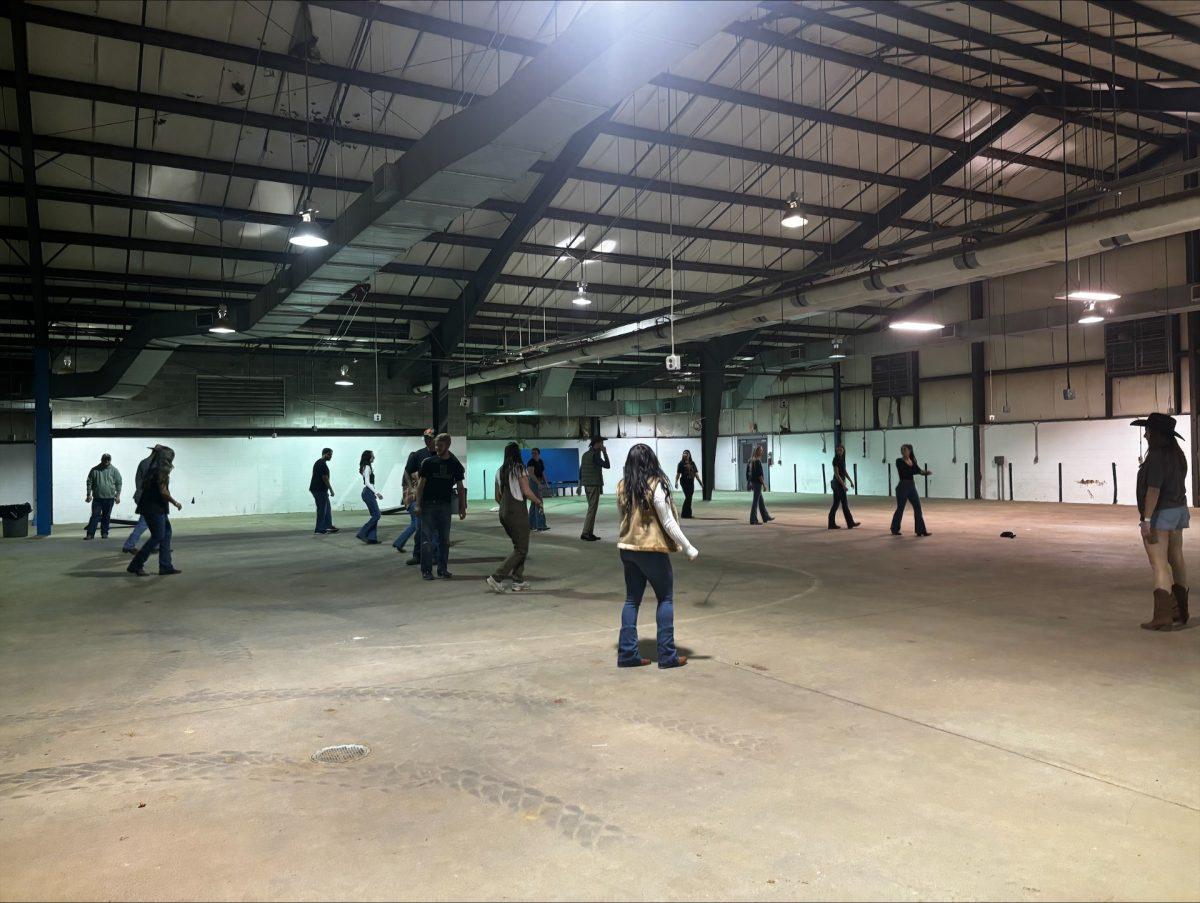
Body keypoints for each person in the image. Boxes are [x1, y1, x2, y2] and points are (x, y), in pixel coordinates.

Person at [616, 444, 699, 669]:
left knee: (632, 600)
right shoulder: (656, 485)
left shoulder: (623, 486)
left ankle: (626, 654)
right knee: (665, 599)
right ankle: (667, 655)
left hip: (627, 549)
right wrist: (689, 547)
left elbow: (624, 518)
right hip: (651, 550)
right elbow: (668, 521)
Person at [1133, 413, 1190, 630]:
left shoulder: (1156, 456)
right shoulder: (1177, 455)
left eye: (1148, 430)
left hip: (1161, 513)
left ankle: (1162, 615)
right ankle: (1181, 612)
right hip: (1179, 510)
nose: (1145, 433)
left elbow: (1154, 490)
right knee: (1176, 559)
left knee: (1159, 564)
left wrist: (1146, 520)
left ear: (1156, 434)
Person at [487, 442, 544, 593]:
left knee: (519, 546)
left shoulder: (499, 471)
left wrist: (506, 508)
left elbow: (497, 497)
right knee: (521, 548)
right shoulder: (519, 468)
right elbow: (526, 491)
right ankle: (496, 577)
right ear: (517, 453)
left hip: (504, 512)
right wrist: (538, 502)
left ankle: (518, 580)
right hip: (517, 511)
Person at [414, 433, 467, 580]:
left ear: (448, 445)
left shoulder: (455, 465)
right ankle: (426, 571)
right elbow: (420, 485)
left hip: (445, 506)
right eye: (436, 445)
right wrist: (418, 504)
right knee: (426, 540)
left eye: (440, 445)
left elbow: (461, 487)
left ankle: (442, 569)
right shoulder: (428, 462)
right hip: (428, 505)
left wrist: (462, 507)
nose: (437, 448)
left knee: (445, 540)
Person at [126, 446, 182, 576]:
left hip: (155, 507)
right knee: (158, 536)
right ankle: (136, 564)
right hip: (154, 508)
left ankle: (165, 566)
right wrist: (175, 502)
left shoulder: (152, 469)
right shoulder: (161, 471)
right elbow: (163, 491)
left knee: (166, 534)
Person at [393, 429, 437, 564]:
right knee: (419, 527)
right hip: (418, 498)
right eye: (425, 438)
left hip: (434, 498)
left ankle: (434, 555)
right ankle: (418, 555)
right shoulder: (419, 455)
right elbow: (406, 473)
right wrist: (412, 490)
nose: (427, 440)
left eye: (429, 438)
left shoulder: (441, 454)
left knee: (433, 529)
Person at [122, 445, 161, 554]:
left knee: (154, 523)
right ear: (156, 453)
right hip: (146, 498)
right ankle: (129, 545)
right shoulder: (148, 464)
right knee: (144, 523)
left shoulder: (146, 462)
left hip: (145, 497)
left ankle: (153, 545)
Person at [890, 444, 932, 537]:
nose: (903, 451)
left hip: (911, 486)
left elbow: (918, 470)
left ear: (909, 451)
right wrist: (918, 470)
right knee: (900, 508)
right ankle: (894, 529)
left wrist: (925, 473)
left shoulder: (912, 461)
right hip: (902, 486)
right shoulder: (899, 461)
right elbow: (909, 471)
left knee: (918, 507)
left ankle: (921, 530)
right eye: (902, 450)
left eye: (905, 449)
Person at [84, 453, 122, 540]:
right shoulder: (94, 470)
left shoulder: (114, 470)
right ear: (101, 459)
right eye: (105, 459)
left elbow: (118, 483)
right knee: (95, 516)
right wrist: (88, 494)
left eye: (108, 459)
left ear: (110, 460)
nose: (107, 461)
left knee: (106, 516)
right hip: (97, 498)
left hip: (110, 498)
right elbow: (89, 482)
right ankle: (90, 534)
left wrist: (118, 495)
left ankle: (104, 533)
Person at [579, 436, 610, 541]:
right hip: (593, 484)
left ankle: (589, 532)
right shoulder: (595, 455)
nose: (603, 445)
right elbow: (607, 465)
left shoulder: (585, 455)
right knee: (592, 509)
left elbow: (581, 470)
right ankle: (585, 533)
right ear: (597, 444)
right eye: (602, 443)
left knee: (591, 508)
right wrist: (605, 453)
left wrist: (579, 485)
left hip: (587, 484)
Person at [828, 444, 860, 530]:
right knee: (844, 504)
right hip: (837, 484)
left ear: (843, 450)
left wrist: (850, 481)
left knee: (835, 504)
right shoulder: (835, 460)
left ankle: (831, 524)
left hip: (839, 484)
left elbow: (844, 471)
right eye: (838, 450)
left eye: (841, 450)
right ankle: (850, 523)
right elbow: (837, 474)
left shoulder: (842, 459)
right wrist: (843, 485)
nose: (839, 451)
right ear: (836, 451)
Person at [356, 450, 383, 544]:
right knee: (377, 515)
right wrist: (377, 493)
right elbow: (367, 483)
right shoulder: (367, 467)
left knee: (374, 515)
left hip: (368, 492)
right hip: (368, 492)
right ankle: (362, 533)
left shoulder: (366, 467)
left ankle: (372, 538)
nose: (374, 457)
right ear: (368, 457)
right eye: (372, 456)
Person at [309, 448, 338, 535]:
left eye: (331, 455)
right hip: (319, 490)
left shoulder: (321, 463)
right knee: (322, 509)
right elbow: (325, 478)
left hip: (321, 490)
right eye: (329, 454)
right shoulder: (321, 463)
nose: (331, 456)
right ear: (324, 454)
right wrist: (331, 490)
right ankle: (319, 529)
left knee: (327, 508)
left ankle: (328, 526)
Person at [748, 444, 773, 525]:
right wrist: (764, 485)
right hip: (758, 484)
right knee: (755, 502)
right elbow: (759, 475)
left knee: (760, 501)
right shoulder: (757, 461)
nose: (762, 451)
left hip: (754, 483)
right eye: (761, 450)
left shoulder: (752, 461)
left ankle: (766, 517)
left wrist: (750, 483)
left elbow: (750, 474)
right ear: (758, 451)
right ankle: (753, 520)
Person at [674, 450, 702, 518]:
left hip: (691, 482)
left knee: (689, 498)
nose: (685, 455)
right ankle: (684, 514)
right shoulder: (681, 464)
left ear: (689, 455)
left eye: (686, 454)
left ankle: (688, 514)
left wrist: (700, 482)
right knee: (688, 497)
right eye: (684, 454)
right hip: (684, 482)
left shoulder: (692, 463)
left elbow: (696, 474)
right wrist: (676, 482)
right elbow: (678, 474)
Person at [527, 447, 550, 532]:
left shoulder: (540, 461)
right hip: (533, 483)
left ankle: (531, 524)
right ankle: (540, 525)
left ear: (538, 454)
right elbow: (531, 474)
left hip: (539, 481)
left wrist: (546, 483)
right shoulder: (531, 462)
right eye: (532, 453)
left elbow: (543, 473)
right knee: (539, 502)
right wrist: (538, 483)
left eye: (535, 453)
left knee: (534, 503)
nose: (533, 454)